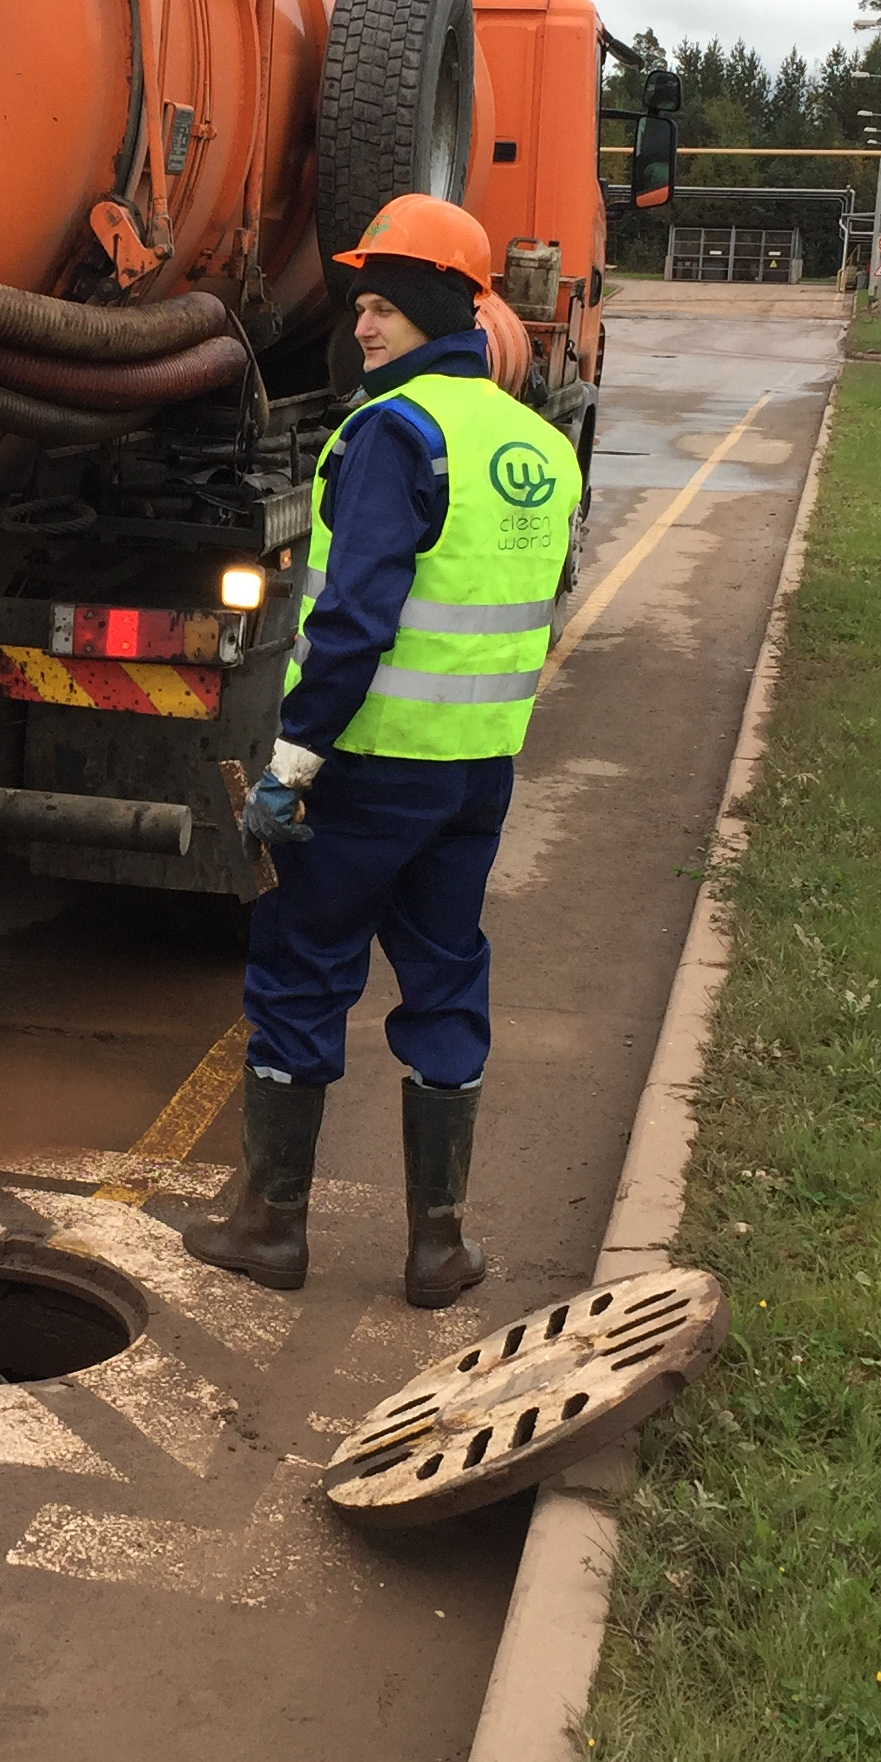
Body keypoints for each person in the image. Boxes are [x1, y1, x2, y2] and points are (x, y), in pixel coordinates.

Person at [185, 194, 581, 1308]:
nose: (361, 328)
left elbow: (354, 621)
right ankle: (439, 1247)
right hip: (476, 774)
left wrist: (292, 766)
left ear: (428, 309)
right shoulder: (541, 447)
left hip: (367, 769)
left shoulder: (390, 435)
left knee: (304, 969)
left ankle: (271, 1228)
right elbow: (536, 598)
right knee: (446, 974)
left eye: (380, 308)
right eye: (358, 307)